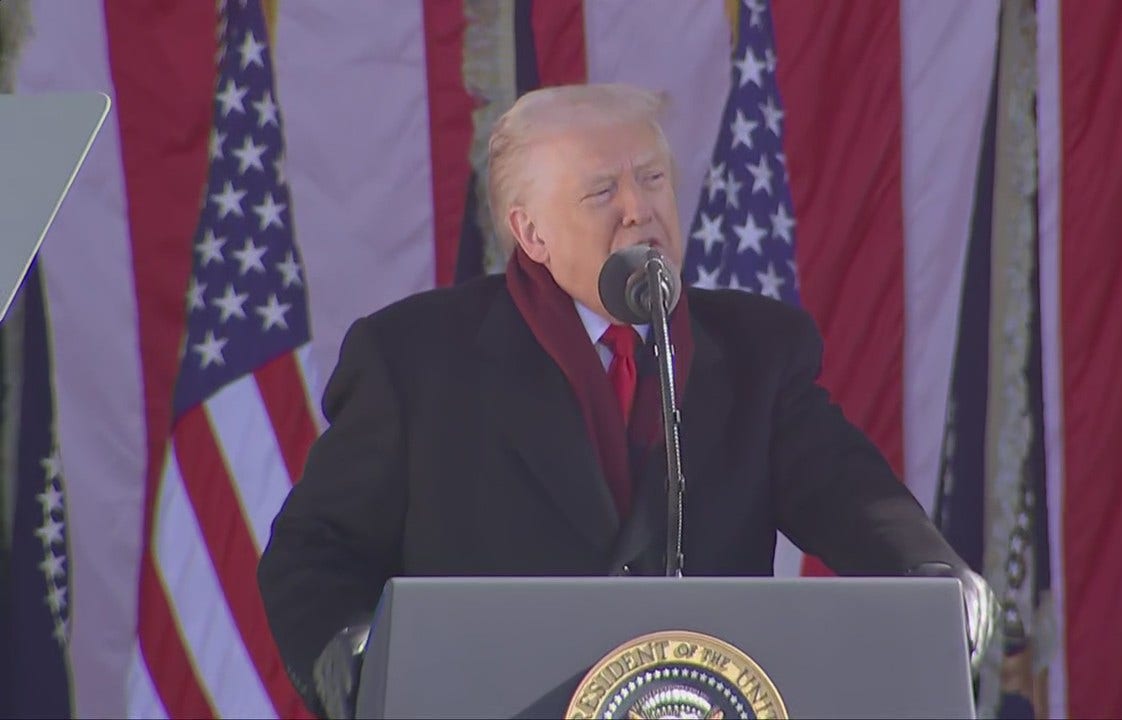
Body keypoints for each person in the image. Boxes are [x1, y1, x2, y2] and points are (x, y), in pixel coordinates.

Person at [257, 82, 996, 719]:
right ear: (531, 232)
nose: (640, 210)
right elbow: (312, 552)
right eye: (604, 191)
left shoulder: (755, 351)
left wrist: (933, 574)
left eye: (653, 178)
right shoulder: (416, 359)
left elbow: (851, 496)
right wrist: (347, 654)